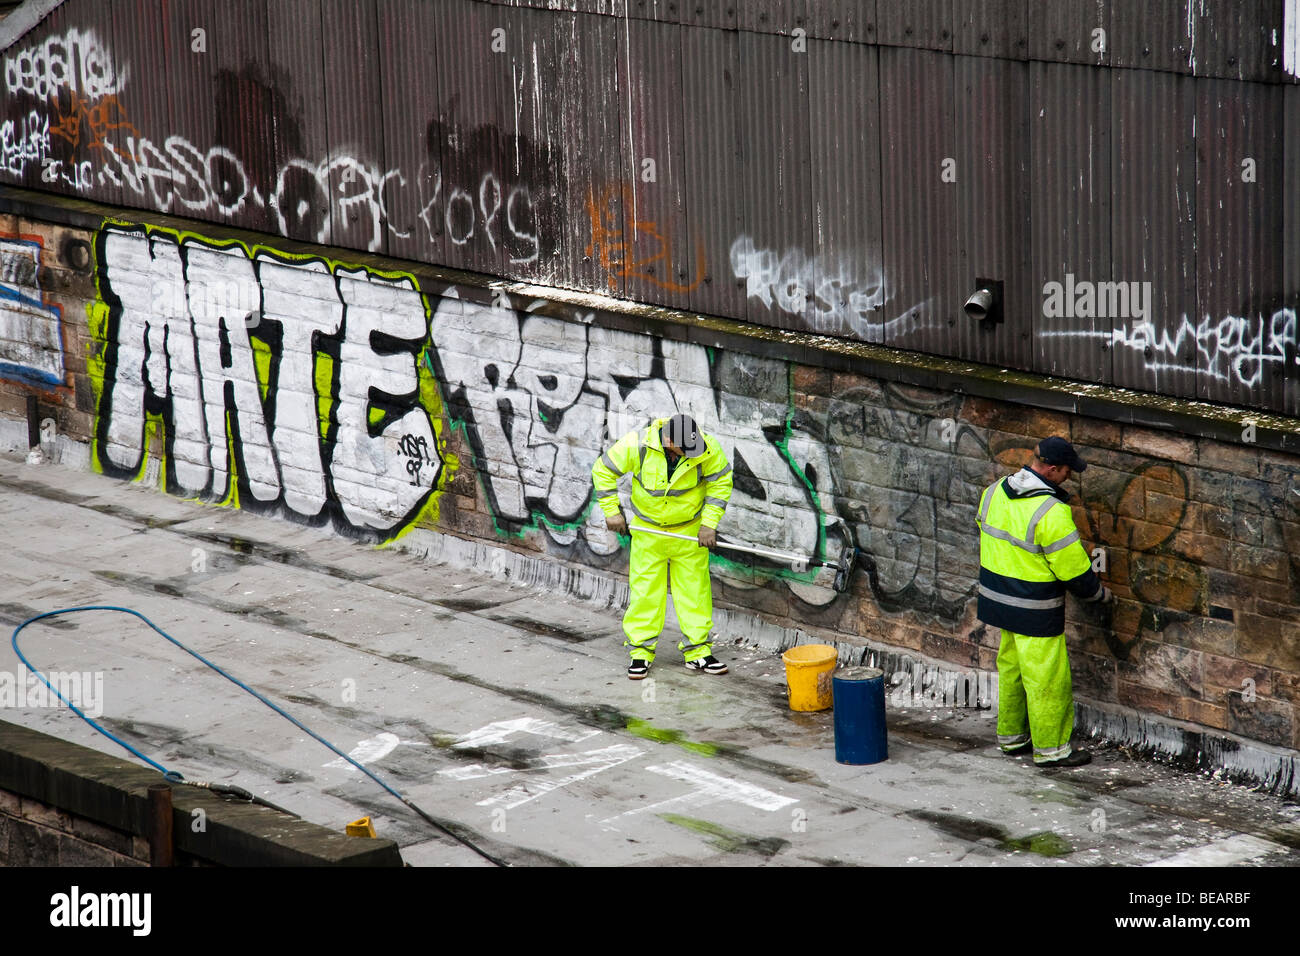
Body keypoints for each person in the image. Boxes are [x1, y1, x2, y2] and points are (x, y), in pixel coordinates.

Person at [976, 436, 1112, 768]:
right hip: (1034, 608)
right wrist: (1100, 596)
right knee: (1046, 679)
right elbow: (1074, 572)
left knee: (1012, 670)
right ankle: (1052, 750)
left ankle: (1012, 738)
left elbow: (985, 530)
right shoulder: (1051, 512)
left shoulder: (993, 491)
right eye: (1067, 471)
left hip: (998, 600)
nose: (1069, 476)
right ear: (1051, 470)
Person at [591, 413, 733, 679]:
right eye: (685, 449)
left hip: (688, 533)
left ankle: (698, 652)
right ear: (668, 441)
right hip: (649, 532)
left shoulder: (705, 447)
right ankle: (640, 653)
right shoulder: (637, 445)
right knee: (645, 592)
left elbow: (721, 482)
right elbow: (603, 470)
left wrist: (709, 524)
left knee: (694, 592)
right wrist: (612, 511)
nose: (692, 453)